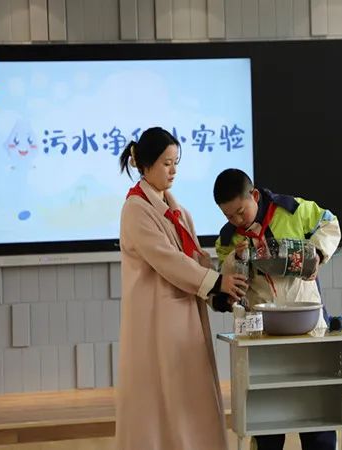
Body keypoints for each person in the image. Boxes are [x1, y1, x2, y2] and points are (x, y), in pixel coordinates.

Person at [115, 128, 248, 450]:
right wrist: (216, 282)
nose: (173, 170)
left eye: (176, 162)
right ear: (144, 165)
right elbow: (168, 260)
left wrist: (224, 280)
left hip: (185, 316)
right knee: (159, 398)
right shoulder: (135, 209)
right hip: (156, 320)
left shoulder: (179, 212)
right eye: (166, 163)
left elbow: (195, 259)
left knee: (189, 394)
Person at [213, 168, 341, 450]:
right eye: (229, 216)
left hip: (308, 326)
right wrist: (234, 262)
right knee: (266, 417)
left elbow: (330, 222)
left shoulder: (292, 209)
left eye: (240, 212)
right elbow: (225, 282)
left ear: (254, 196)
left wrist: (318, 254)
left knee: (315, 412)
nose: (237, 221)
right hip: (264, 336)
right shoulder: (227, 238)